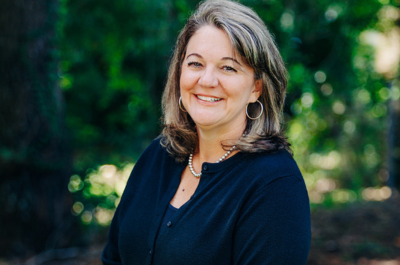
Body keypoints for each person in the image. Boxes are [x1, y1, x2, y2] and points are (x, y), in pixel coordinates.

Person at [102, 0, 311, 264]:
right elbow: (113, 257)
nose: (207, 81)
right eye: (195, 64)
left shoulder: (276, 185)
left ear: (256, 88)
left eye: (228, 67)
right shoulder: (159, 154)